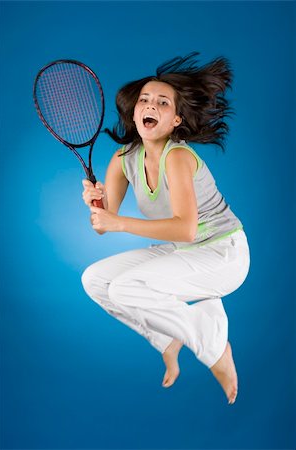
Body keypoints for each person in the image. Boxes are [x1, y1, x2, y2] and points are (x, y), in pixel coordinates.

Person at [81, 51, 250, 405]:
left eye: (162, 102)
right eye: (144, 99)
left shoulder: (178, 156)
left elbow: (186, 229)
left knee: (127, 288)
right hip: (184, 252)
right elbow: (102, 226)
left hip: (223, 253)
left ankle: (214, 345)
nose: (150, 105)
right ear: (134, 112)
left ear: (175, 120)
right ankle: (169, 339)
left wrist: (118, 222)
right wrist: (97, 206)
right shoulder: (124, 158)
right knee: (95, 281)